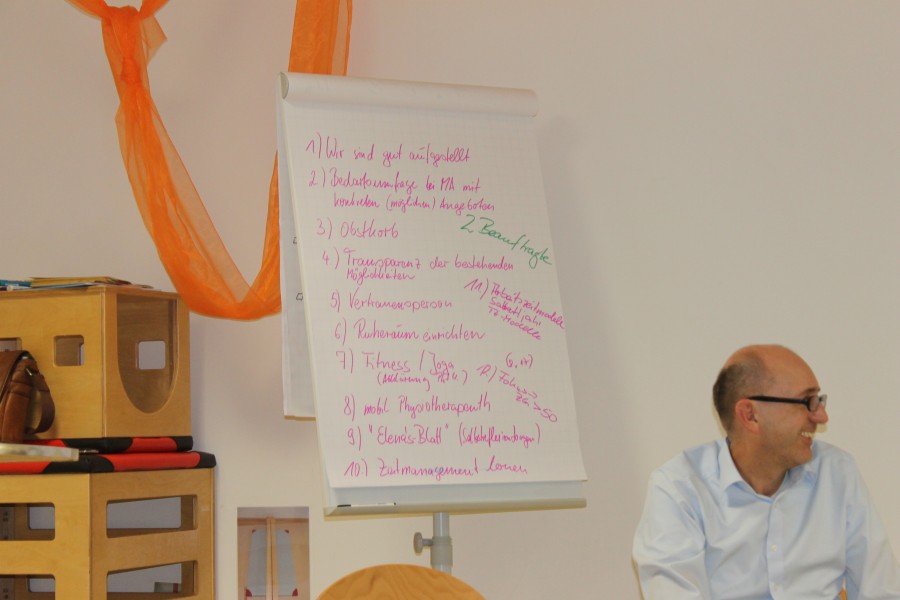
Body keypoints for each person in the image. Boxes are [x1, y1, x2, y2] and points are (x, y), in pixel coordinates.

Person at [633, 344, 900, 599]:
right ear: (750, 415)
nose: (821, 416)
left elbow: (881, 591)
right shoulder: (678, 489)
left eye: (819, 400)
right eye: (808, 401)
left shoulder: (836, 472)